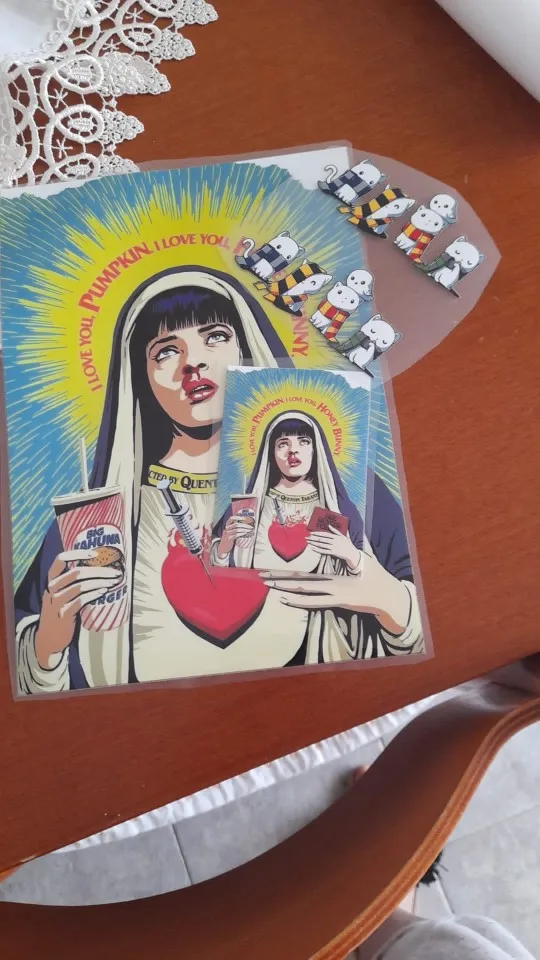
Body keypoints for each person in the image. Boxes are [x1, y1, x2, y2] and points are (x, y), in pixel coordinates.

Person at [15, 267, 286, 692]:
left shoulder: (318, 480)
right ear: (139, 377)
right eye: (165, 351)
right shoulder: (97, 519)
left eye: (215, 336)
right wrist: (48, 640)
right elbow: (27, 674)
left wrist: (384, 600)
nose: (193, 362)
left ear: (247, 347)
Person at [213, 411, 423, 665]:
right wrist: (223, 548)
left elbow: (362, 580)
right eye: (283, 443)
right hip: (255, 636)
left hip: (321, 641)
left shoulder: (334, 509)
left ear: (317, 449)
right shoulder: (247, 507)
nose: (293, 450)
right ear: (270, 452)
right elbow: (214, 576)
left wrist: (351, 555)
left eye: (304, 441)